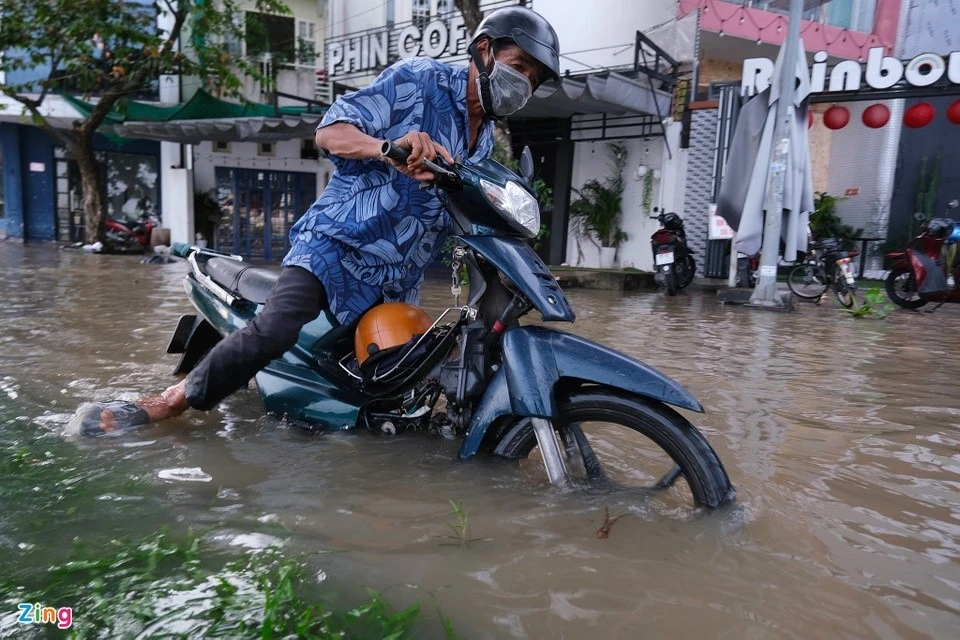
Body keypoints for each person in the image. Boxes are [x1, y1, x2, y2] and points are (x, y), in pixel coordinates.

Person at [73, 6, 561, 435]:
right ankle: (169, 401)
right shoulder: (420, 79)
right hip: (338, 245)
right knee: (278, 327)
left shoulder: (485, 138)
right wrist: (386, 148)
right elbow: (331, 131)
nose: (524, 85)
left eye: (534, 80)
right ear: (483, 50)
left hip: (396, 274)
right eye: (519, 67)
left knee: (407, 368)